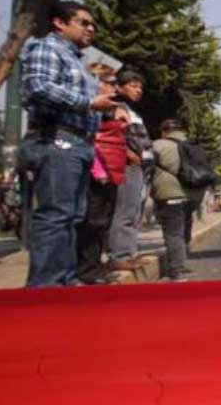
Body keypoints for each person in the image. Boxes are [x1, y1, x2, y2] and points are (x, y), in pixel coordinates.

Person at [19, 1, 119, 287]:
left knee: (73, 217)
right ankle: (46, 287)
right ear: (59, 23)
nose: (91, 28)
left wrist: (103, 108)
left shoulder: (79, 62)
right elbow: (38, 87)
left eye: (93, 24)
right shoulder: (46, 48)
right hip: (56, 139)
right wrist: (89, 103)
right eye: (83, 22)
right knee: (56, 215)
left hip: (79, 143)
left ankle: (65, 281)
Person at [75, 68, 128, 284]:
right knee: (92, 221)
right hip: (98, 171)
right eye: (110, 82)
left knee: (103, 222)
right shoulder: (89, 110)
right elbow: (91, 139)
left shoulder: (113, 109)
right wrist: (98, 169)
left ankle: (96, 266)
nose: (115, 87)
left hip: (112, 170)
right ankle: (87, 271)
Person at [107, 71, 153, 271]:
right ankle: (120, 256)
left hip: (139, 167)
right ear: (119, 87)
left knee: (134, 211)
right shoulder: (115, 107)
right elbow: (111, 134)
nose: (138, 90)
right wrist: (127, 153)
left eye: (140, 87)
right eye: (133, 86)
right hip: (126, 165)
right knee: (125, 211)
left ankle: (130, 253)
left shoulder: (133, 111)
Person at [151, 119, 205, 281]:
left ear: (164, 131)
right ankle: (182, 260)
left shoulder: (158, 145)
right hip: (194, 196)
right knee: (185, 227)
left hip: (170, 194)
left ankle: (177, 270)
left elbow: (145, 166)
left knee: (173, 232)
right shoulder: (195, 146)